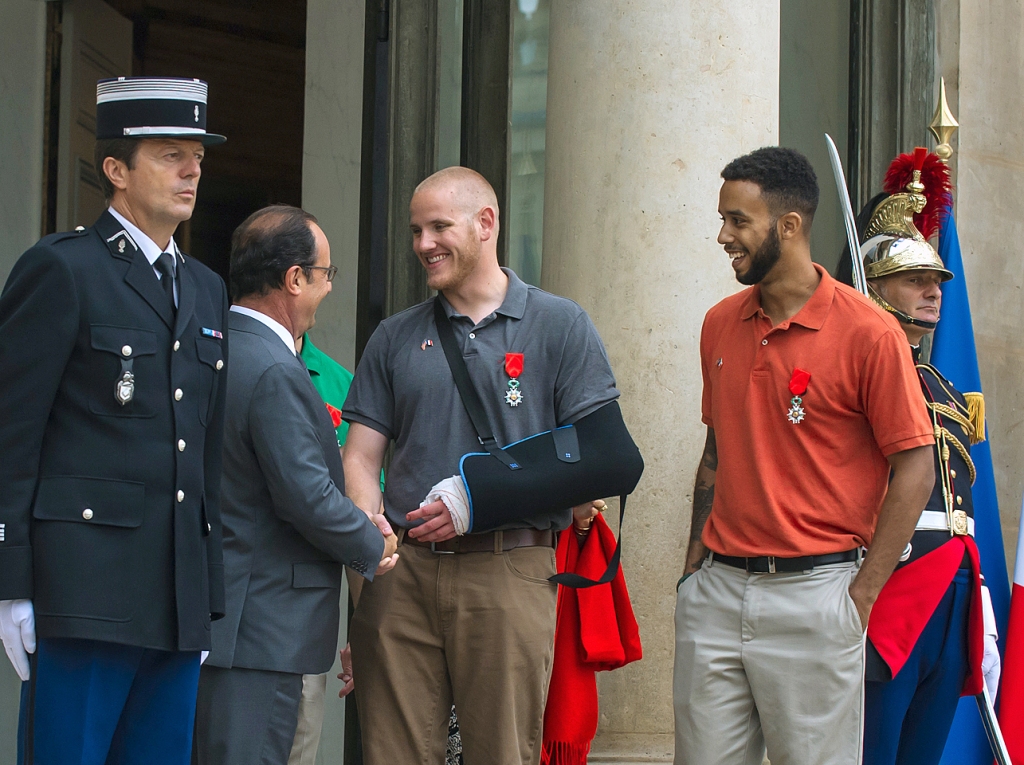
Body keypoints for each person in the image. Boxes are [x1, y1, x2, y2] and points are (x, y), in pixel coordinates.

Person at [342, 166, 616, 764]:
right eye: (416, 230)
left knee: (501, 754)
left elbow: (606, 458)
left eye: (439, 226)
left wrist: (480, 498)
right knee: (391, 754)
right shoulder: (393, 336)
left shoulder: (559, 324)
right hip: (401, 574)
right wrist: (370, 530)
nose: (423, 244)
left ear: (486, 223)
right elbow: (360, 457)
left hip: (510, 566)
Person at [674, 146, 936, 765]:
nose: (723, 236)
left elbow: (917, 468)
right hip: (716, 592)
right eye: (723, 220)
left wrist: (860, 596)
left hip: (819, 598)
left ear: (788, 227)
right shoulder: (717, 324)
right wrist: (692, 574)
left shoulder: (870, 334)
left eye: (738, 220)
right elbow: (715, 454)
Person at [0, 77, 228, 765]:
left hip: (175, 598)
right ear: (116, 170)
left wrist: (205, 589)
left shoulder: (205, 288)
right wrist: (12, 582)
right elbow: (12, 433)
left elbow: (205, 453)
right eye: (169, 154)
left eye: (196, 155)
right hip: (83, 587)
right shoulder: (62, 269)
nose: (191, 169)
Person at [192, 205, 397, 765]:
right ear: (294, 279)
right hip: (261, 628)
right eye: (326, 274)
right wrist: (373, 544)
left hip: (220, 616)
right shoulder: (276, 368)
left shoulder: (211, 347)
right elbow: (305, 496)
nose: (328, 287)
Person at [855, 150, 1001, 765]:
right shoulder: (859, 375)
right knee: (875, 745)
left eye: (936, 280)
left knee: (927, 747)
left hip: (957, 578)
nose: (933, 291)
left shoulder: (940, 384)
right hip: (896, 575)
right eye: (915, 279)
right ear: (876, 287)